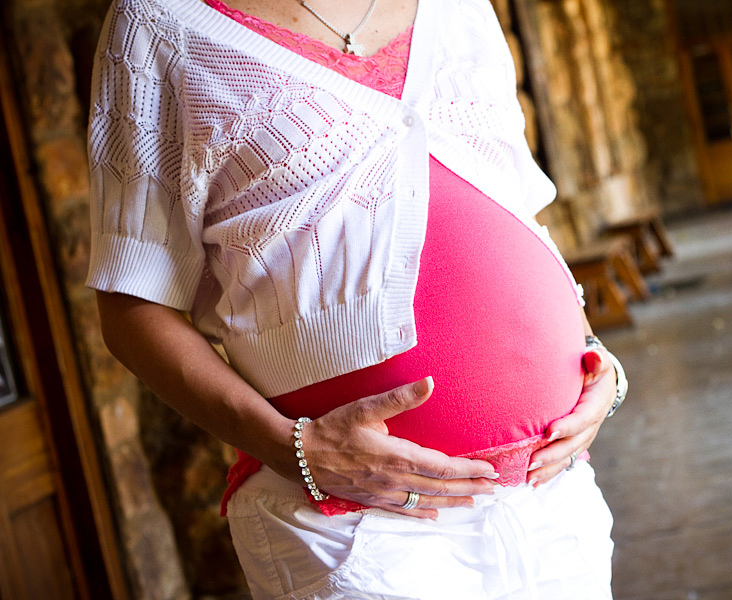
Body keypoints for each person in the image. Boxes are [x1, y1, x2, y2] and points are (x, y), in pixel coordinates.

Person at [87, 0, 627, 597]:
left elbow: (515, 209)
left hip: (549, 500)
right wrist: (294, 451)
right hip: (357, 525)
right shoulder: (162, 23)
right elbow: (132, 308)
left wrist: (592, 353)